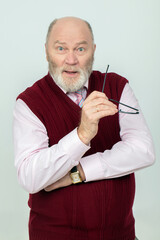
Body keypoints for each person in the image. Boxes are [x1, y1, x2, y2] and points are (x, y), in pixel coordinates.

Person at [13, 16, 155, 240]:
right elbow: (31, 177)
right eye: (61, 48)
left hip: (121, 235)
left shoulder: (118, 86)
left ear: (93, 50)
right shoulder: (29, 103)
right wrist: (82, 135)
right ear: (47, 51)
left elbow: (143, 151)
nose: (71, 59)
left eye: (80, 48)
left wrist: (77, 173)